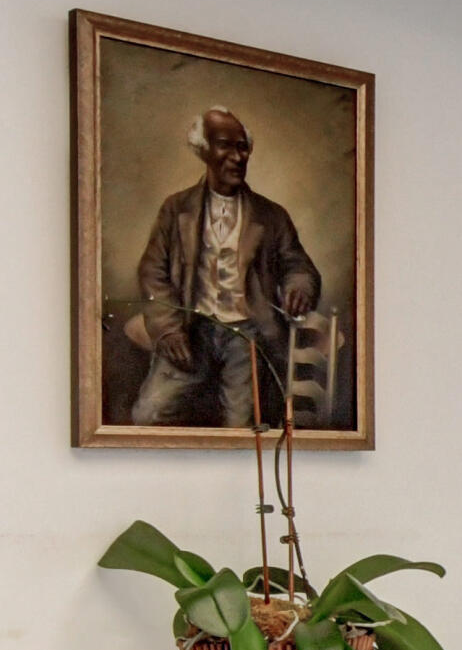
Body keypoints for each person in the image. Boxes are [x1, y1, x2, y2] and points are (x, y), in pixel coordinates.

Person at [127, 108, 322, 427]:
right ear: (203, 151)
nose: (236, 157)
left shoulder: (272, 215)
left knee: (242, 428)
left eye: (242, 147)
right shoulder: (176, 209)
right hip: (189, 330)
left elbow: (297, 265)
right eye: (224, 146)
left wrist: (299, 287)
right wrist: (167, 328)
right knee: (147, 414)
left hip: (247, 334)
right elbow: (152, 272)